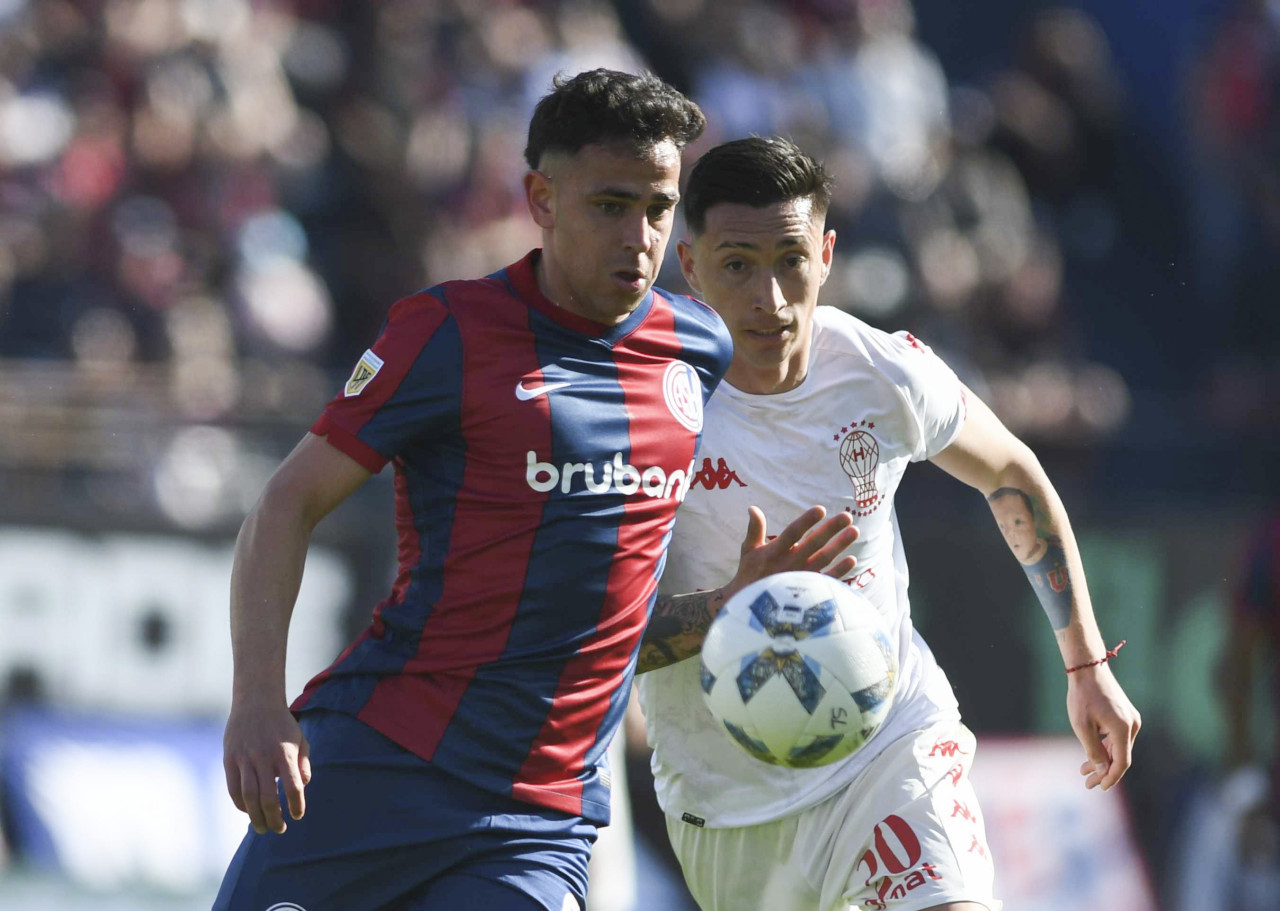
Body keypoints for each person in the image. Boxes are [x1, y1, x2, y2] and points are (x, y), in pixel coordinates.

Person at [215, 73, 858, 911]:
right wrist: (259, 701)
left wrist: (727, 603)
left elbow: (616, 616)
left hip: (538, 818)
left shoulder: (699, 344)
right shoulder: (447, 332)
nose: (640, 236)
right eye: (610, 205)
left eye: (659, 208)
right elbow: (284, 506)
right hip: (379, 762)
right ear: (542, 200)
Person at [634, 137, 1142, 911]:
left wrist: (1086, 666)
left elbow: (1009, 470)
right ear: (692, 265)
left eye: (791, 260)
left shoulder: (879, 371)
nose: (770, 298)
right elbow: (591, 632)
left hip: (889, 752)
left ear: (828, 254)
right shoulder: (637, 409)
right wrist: (726, 605)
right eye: (738, 264)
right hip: (727, 810)